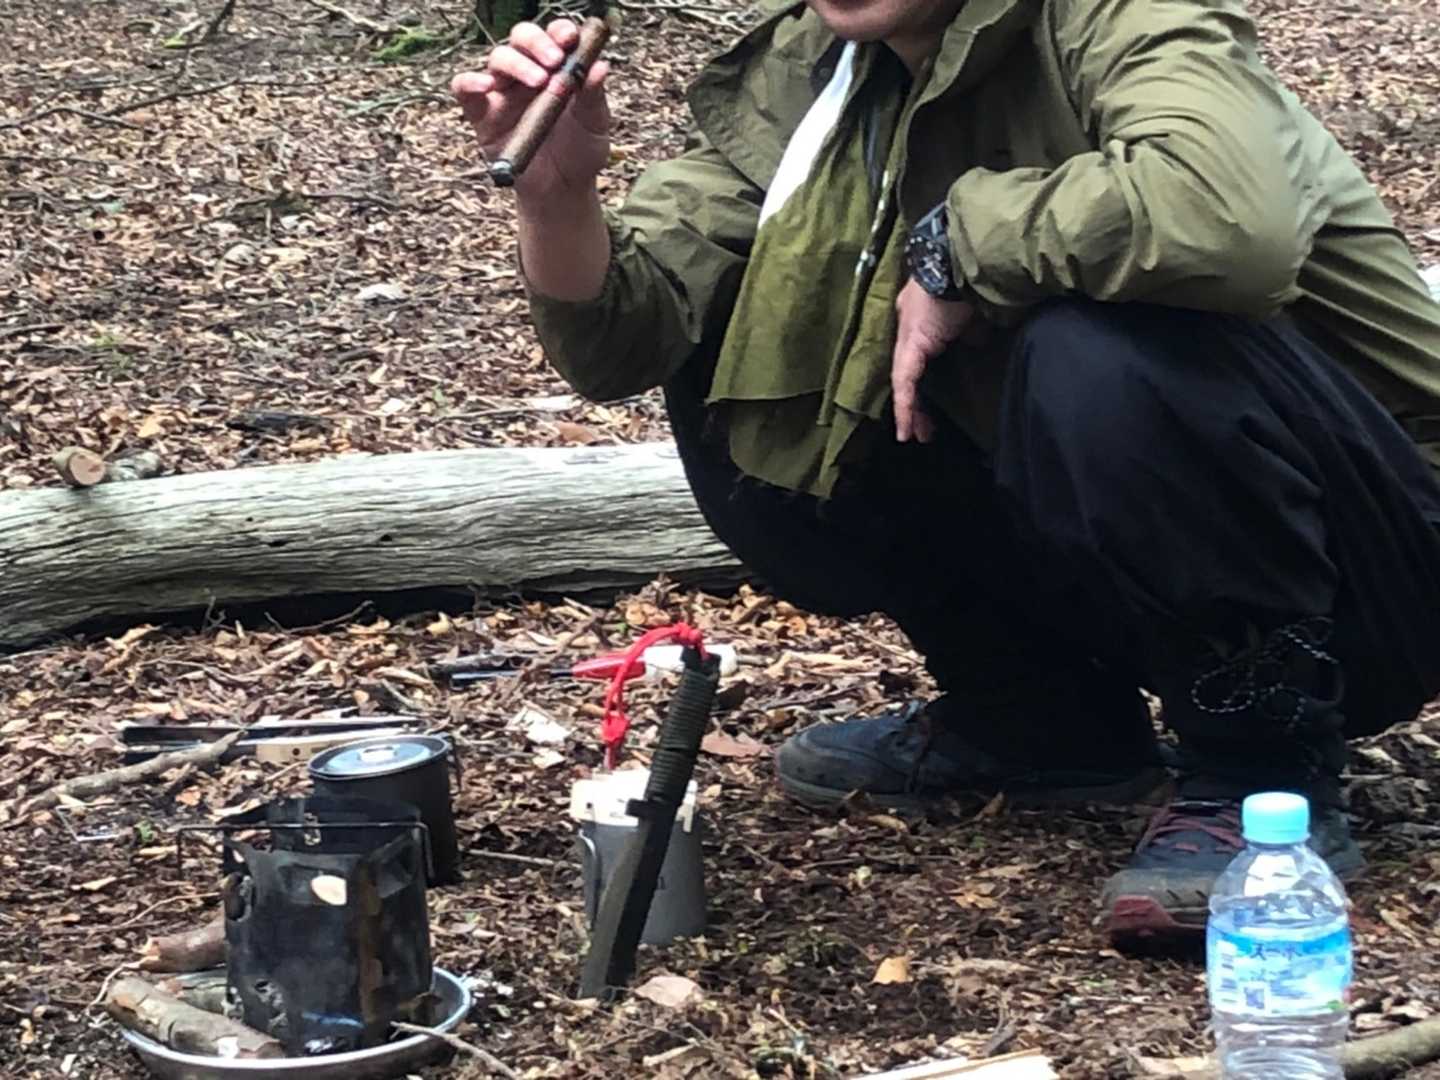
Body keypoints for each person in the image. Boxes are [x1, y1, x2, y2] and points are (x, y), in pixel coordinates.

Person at [453, 0, 1440, 948]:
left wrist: (953, 245)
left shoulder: (1119, 14)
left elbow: (1227, 218)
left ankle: (1263, 770)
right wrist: (558, 196)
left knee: (1097, 342)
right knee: (736, 326)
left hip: (1378, 565)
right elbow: (630, 333)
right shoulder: (816, 73)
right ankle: (1038, 721)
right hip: (1135, 533)